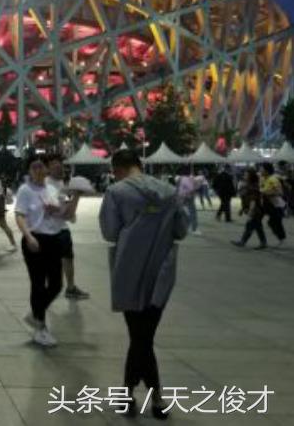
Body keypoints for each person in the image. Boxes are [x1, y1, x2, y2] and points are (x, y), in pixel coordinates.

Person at [99, 149, 188, 420]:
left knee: (139, 336)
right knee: (144, 336)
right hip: (161, 271)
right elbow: (181, 230)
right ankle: (153, 398)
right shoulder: (170, 192)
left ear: (117, 169)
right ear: (139, 164)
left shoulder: (116, 192)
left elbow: (109, 232)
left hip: (129, 270)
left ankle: (135, 396)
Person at [15, 155, 79, 347]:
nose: (37, 170)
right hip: (35, 240)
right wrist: (28, 236)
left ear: (46, 169)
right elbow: (19, 215)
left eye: (40, 166)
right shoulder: (25, 190)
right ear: (29, 171)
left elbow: (67, 215)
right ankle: (40, 329)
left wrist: (77, 196)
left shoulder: (52, 189)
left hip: (54, 240)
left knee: (57, 284)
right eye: (33, 167)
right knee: (38, 284)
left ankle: (35, 313)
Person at [46, 154, 90, 298]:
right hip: (51, 230)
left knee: (67, 258)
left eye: (60, 163)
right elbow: (65, 214)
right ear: (48, 168)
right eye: (55, 164)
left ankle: (70, 288)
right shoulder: (47, 186)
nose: (59, 167)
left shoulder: (61, 184)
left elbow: (66, 212)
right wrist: (77, 195)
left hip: (61, 228)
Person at [231, 169, 268, 249]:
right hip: (255, 210)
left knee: (250, 226)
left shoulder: (253, 187)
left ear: (251, 176)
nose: (244, 176)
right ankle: (263, 242)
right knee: (257, 227)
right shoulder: (249, 185)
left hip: (256, 211)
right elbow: (246, 199)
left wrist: (251, 212)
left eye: (246, 174)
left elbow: (253, 201)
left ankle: (243, 242)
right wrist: (242, 209)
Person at [259, 162, 287, 245]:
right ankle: (281, 238)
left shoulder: (273, 179)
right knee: (271, 222)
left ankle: (281, 238)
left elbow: (280, 192)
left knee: (275, 222)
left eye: (262, 169)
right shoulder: (264, 179)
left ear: (267, 170)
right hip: (267, 203)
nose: (260, 170)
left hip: (275, 204)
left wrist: (267, 193)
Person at [175, 170, 202, 236]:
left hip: (181, 197)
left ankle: (184, 227)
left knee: (184, 212)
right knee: (193, 213)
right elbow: (191, 188)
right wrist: (195, 184)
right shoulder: (187, 179)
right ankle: (194, 229)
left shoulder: (180, 178)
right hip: (188, 197)